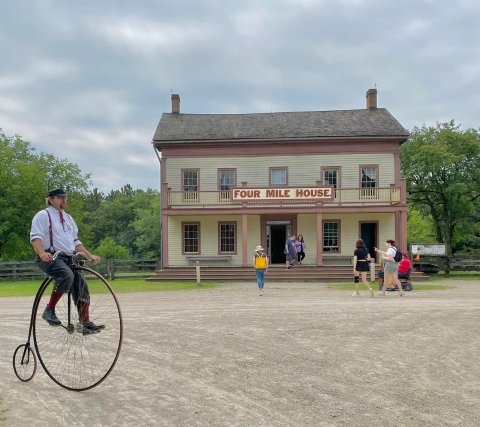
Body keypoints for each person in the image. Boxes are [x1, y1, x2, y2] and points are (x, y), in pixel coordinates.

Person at [30, 188, 104, 334]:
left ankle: (85, 322)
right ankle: (49, 310)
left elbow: (76, 243)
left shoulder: (68, 218)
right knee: (66, 275)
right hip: (52, 257)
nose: (64, 200)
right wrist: (42, 253)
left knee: (81, 285)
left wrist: (89, 256)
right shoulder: (43, 215)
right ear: (50, 199)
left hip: (69, 258)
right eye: (60, 197)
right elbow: (35, 237)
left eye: (65, 198)